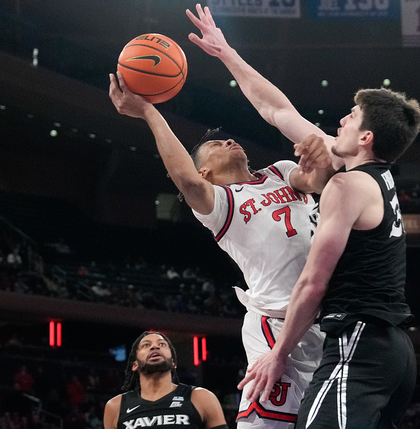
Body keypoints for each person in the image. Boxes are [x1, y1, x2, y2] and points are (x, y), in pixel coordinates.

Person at [109, 60, 332, 427]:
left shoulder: (278, 172)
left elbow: (321, 179)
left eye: (228, 139)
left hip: (329, 319)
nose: (230, 140)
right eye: (216, 144)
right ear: (204, 171)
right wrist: (149, 111)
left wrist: (320, 156)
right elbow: (184, 179)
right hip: (275, 325)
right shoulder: (221, 203)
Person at [237, 88, 420, 428]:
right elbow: (278, 110)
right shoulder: (374, 176)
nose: (341, 120)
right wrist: (224, 53)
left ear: (365, 137)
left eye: (351, 116)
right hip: (394, 352)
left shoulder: (347, 185)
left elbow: (312, 284)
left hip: (359, 343)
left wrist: (279, 354)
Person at [103, 331, 228, 429]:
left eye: (161, 344)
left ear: (173, 363)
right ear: (134, 364)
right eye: (146, 345)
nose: (155, 347)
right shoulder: (115, 406)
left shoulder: (201, 397)